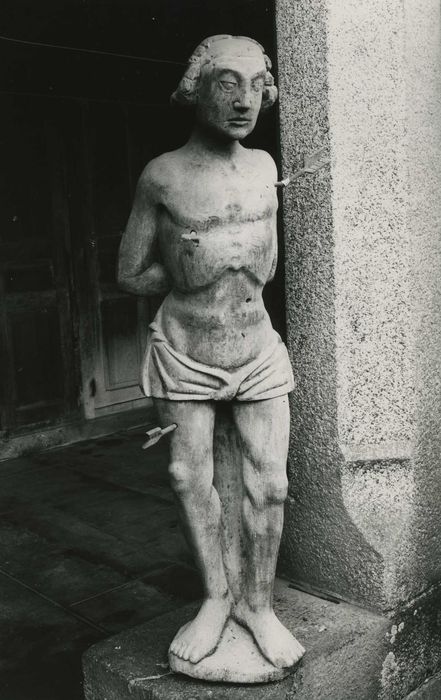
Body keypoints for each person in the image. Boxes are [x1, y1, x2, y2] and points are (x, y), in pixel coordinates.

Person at [118, 34, 305, 670]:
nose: (244, 100)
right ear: (195, 89)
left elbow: (269, 262)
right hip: (186, 349)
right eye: (227, 83)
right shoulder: (162, 175)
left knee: (271, 483)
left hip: (256, 345)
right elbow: (129, 272)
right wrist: (187, 270)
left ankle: (258, 603)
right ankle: (215, 598)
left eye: (256, 85)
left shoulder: (263, 168)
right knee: (188, 476)